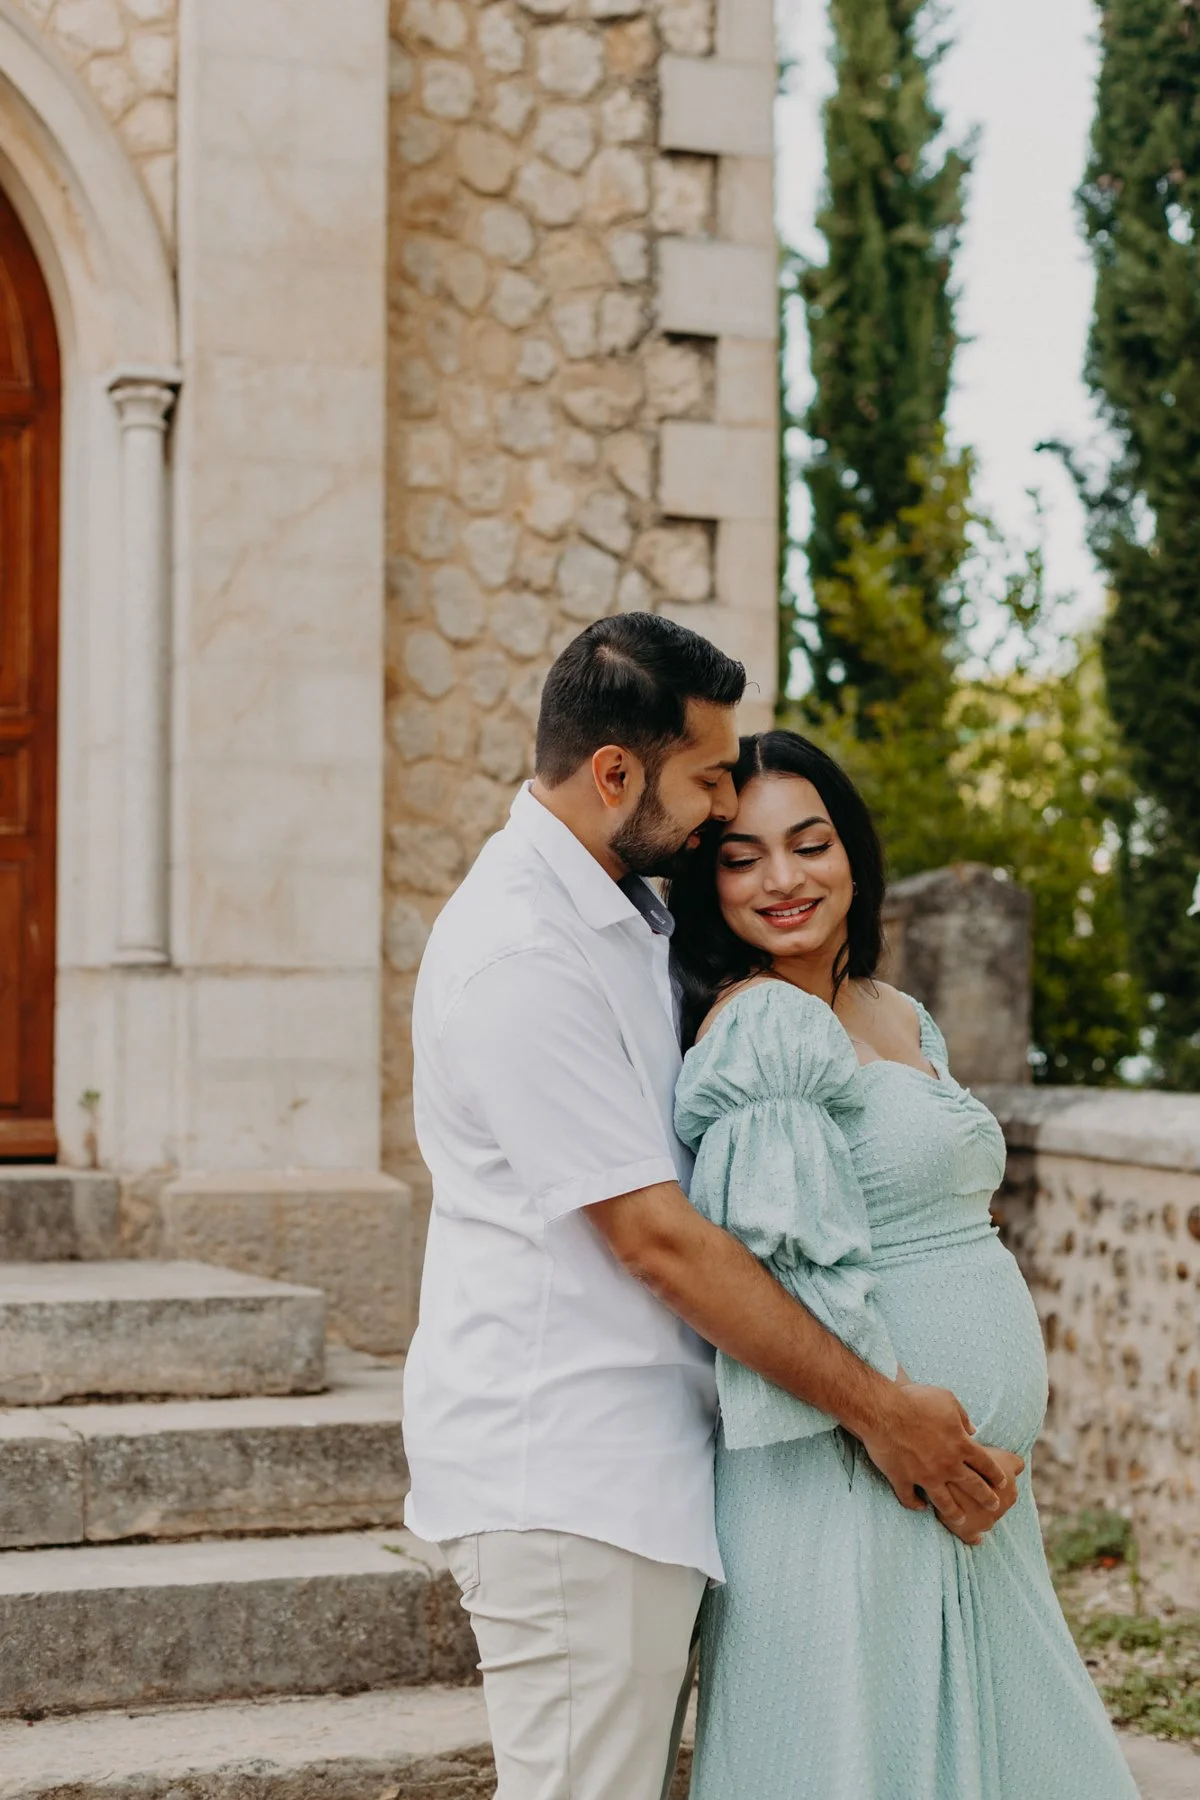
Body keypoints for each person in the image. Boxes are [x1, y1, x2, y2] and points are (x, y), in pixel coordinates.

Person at [402, 615, 1020, 1800]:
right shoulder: (521, 956)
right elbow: (658, 1243)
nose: (716, 815)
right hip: (570, 1477)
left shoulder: (616, 915)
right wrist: (886, 1411)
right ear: (615, 773)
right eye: (707, 786)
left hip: (654, 1471)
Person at [668, 727, 1139, 1800]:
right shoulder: (763, 1026)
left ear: (855, 854)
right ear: (710, 881)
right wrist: (896, 1424)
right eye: (742, 857)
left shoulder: (896, 1012)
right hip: (856, 1464)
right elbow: (780, 1271)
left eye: (810, 843)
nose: (783, 879)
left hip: (959, 1483)